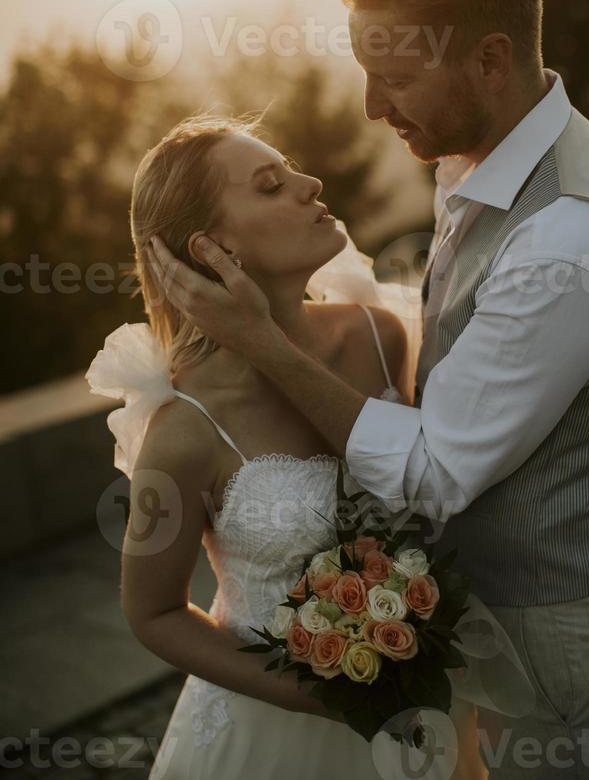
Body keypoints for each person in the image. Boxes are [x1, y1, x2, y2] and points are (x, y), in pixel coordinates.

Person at [148, 0, 589, 779]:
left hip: (573, 675)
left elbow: (434, 472)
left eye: (397, 80)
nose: (374, 109)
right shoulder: (480, 152)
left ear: (491, 60)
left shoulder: (568, 241)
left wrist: (265, 343)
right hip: (474, 676)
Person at [87, 115, 491, 779]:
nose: (311, 184)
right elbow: (153, 611)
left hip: (430, 717)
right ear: (216, 248)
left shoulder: (379, 337)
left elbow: (436, 486)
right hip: (269, 736)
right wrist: (328, 694)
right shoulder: (184, 428)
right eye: (272, 187)